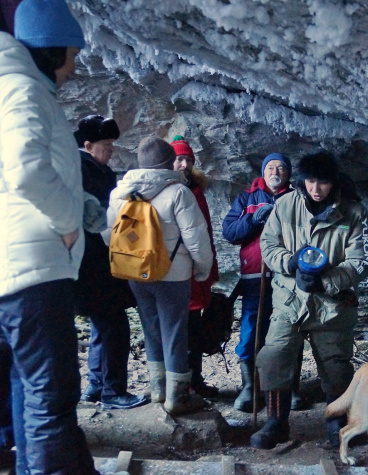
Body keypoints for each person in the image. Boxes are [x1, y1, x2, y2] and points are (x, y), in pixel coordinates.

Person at [0, 0, 99, 473]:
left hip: (12, 270)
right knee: (52, 400)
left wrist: (86, 210)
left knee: (26, 389)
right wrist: (68, 222)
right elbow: (26, 171)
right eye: (72, 54)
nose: (75, 67)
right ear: (53, 48)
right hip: (34, 272)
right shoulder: (23, 89)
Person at [251, 151, 368, 450]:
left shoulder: (353, 213)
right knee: (274, 356)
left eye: (323, 182)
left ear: (335, 182)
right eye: (310, 181)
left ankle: (337, 423)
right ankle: (276, 423)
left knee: (336, 366)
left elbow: (361, 261)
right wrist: (289, 263)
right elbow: (268, 243)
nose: (315, 189)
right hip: (288, 299)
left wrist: (326, 281)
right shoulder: (285, 204)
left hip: (331, 305)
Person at [105, 136, 214, 416]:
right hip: (173, 274)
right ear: (168, 162)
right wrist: (202, 270)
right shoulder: (178, 192)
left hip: (136, 273)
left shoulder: (120, 192)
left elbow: (109, 235)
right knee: (175, 331)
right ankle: (177, 397)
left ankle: (157, 389)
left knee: (150, 328)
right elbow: (196, 238)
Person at [74, 115, 146, 409]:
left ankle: (95, 384)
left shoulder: (86, 168)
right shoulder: (84, 171)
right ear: (88, 145)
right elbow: (100, 218)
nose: (111, 150)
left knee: (102, 326)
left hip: (91, 264)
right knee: (115, 326)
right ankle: (112, 390)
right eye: (107, 145)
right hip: (96, 265)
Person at [222, 153, 295, 412]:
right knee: (252, 329)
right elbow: (229, 232)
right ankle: (250, 387)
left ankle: (288, 386)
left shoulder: (296, 198)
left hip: (286, 275)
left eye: (281, 168)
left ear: (288, 174)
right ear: (263, 173)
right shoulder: (247, 199)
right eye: (270, 168)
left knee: (288, 329)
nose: (275, 172)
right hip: (255, 276)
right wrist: (253, 220)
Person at [170, 135, 220, 398]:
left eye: (188, 159)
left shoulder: (196, 191)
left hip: (194, 270)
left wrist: (209, 268)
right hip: (176, 270)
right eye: (178, 158)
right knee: (181, 329)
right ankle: (183, 384)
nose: (183, 164)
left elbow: (205, 233)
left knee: (194, 328)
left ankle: (194, 380)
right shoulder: (172, 190)